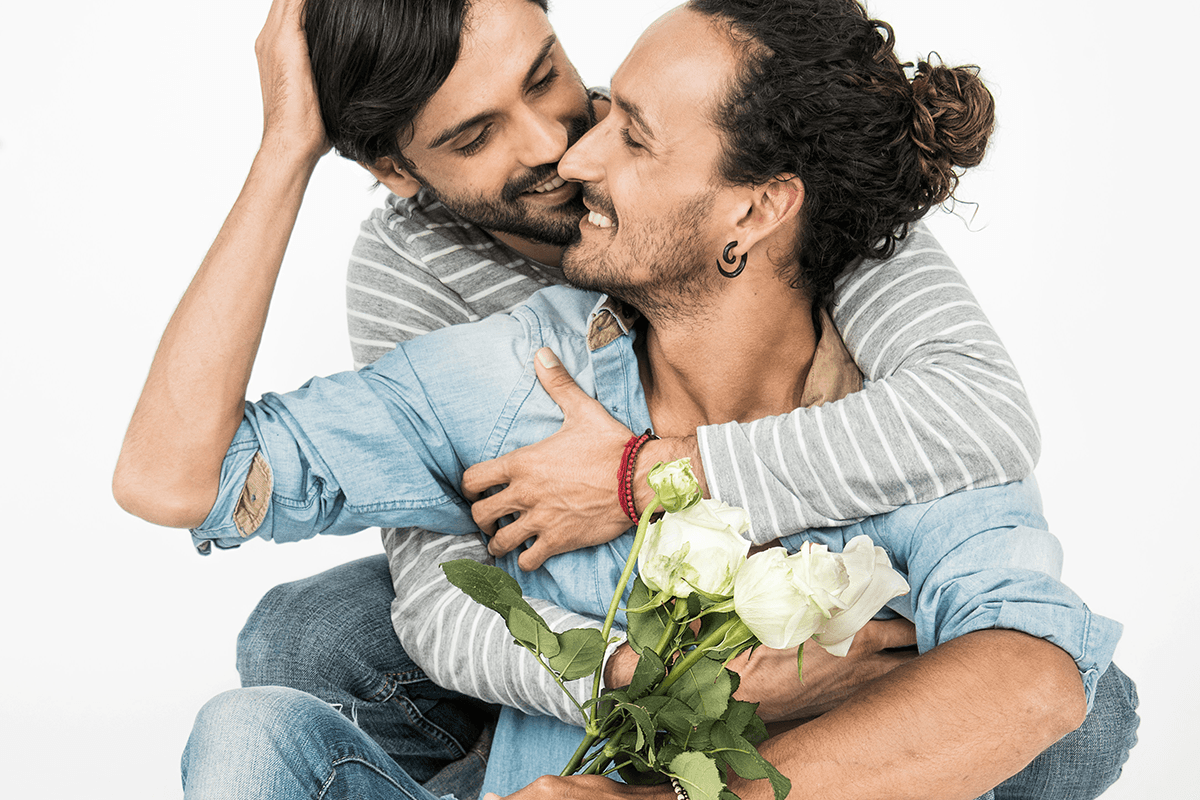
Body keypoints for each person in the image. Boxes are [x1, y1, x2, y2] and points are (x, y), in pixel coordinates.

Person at [114, 1, 1136, 798]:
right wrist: (649, 673)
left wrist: (639, 475)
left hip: (769, 552)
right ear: (398, 172)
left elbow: (982, 433)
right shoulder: (507, 361)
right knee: (296, 649)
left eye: (594, 106)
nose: (571, 149)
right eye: (474, 133)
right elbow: (194, 483)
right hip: (545, 636)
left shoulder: (839, 229)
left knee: (1079, 694)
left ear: (763, 206)